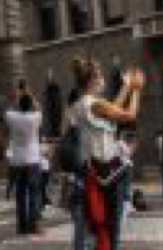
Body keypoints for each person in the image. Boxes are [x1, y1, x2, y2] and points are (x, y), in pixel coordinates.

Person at [65, 58, 143, 250]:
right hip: (108, 174)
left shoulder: (81, 104)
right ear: (92, 80)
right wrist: (136, 89)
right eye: (100, 76)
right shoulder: (95, 105)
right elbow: (129, 115)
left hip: (93, 171)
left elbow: (112, 108)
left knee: (99, 226)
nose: (103, 80)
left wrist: (126, 87)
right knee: (111, 227)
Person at [4, 90, 44, 234]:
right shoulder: (35, 117)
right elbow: (39, 108)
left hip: (17, 160)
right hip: (32, 159)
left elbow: (8, 110)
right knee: (34, 193)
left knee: (20, 194)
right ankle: (33, 225)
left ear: (19, 105)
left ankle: (21, 226)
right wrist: (32, 97)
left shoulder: (13, 117)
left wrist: (17, 98)